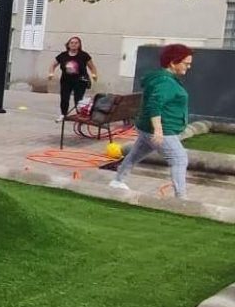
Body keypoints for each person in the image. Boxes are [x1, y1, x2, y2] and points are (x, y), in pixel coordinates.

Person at [110, 44, 193, 198]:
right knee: (180, 159)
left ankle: (118, 181)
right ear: (173, 62)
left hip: (146, 128)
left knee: (135, 155)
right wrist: (158, 130)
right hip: (162, 130)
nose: (189, 66)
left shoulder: (162, 78)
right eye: (186, 63)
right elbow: (155, 104)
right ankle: (181, 199)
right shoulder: (165, 82)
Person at [47, 36, 99, 122]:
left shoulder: (84, 55)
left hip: (80, 80)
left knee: (78, 99)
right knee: (64, 98)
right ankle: (63, 114)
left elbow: (92, 67)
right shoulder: (63, 55)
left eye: (76, 43)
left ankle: (79, 115)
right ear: (68, 45)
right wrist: (51, 73)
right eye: (72, 43)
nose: (74, 44)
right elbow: (53, 65)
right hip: (66, 80)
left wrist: (94, 75)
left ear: (79, 45)